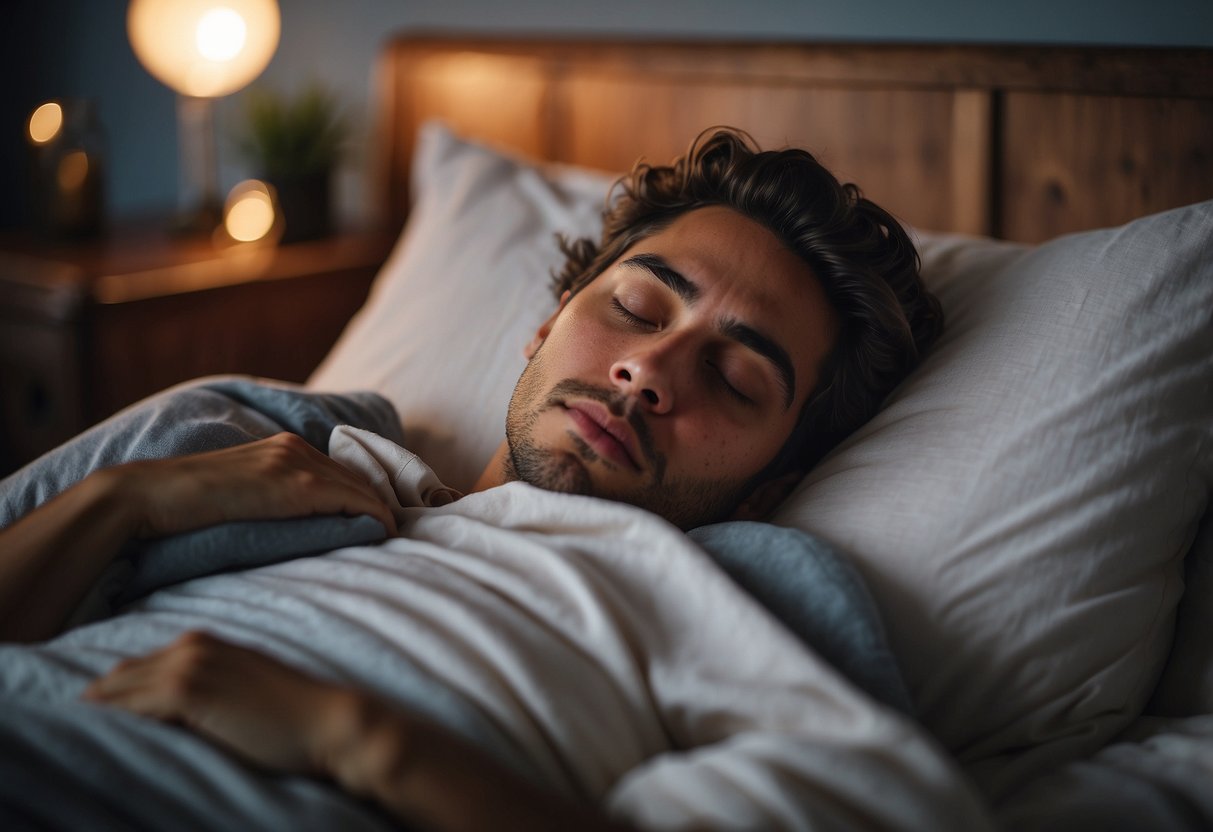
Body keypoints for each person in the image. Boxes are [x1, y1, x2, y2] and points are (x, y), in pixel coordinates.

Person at [0, 129, 944, 830]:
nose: (650, 372)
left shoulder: (738, 599)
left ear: (766, 488)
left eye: (736, 380)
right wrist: (121, 501)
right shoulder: (248, 432)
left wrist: (361, 741)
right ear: (545, 324)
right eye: (638, 306)